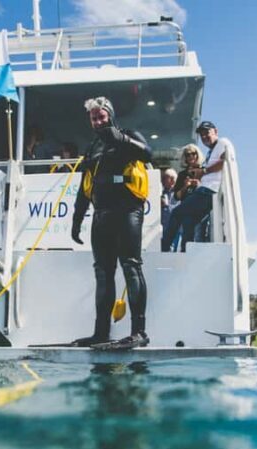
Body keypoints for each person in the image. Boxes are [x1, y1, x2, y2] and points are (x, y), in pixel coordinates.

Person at [70, 96, 152, 350]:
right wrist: (77, 218)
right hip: (101, 214)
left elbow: (148, 153)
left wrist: (121, 139)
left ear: (110, 115)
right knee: (103, 274)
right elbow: (85, 188)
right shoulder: (92, 146)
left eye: (101, 116)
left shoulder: (127, 134)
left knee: (131, 266)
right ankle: (101, 332)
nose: (97, 121)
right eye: (93, 118)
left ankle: (139, 332)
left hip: (127, 210)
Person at [161, 121, 234, 251]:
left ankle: (164, 248)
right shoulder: (210, 152)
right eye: (202, 134)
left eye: (207, 132)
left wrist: (204, 172)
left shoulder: (222, 143)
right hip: (205, 192)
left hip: (207, 191)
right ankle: (185, 252)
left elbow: (224, 161)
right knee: (188, 221)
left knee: (177, 213)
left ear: (215, 131)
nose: (204, 136)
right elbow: (177, 196)